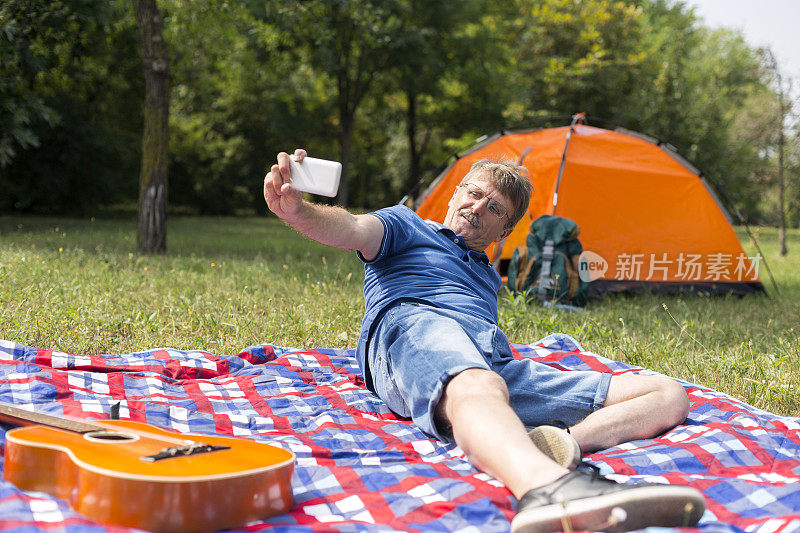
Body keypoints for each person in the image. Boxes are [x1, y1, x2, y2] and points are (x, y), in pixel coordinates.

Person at [264, 149, 705, 533]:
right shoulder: (406, 227)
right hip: (417, 326)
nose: (477, 207)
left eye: (494, 209)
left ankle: (554, 446)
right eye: (473, 193)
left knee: (666, 394)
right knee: (480, 385)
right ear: (455, 193)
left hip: (492, 360)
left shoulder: (487, 277)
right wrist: (300, 212)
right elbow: (352, 230)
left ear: (504, 233)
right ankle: (547, 490)